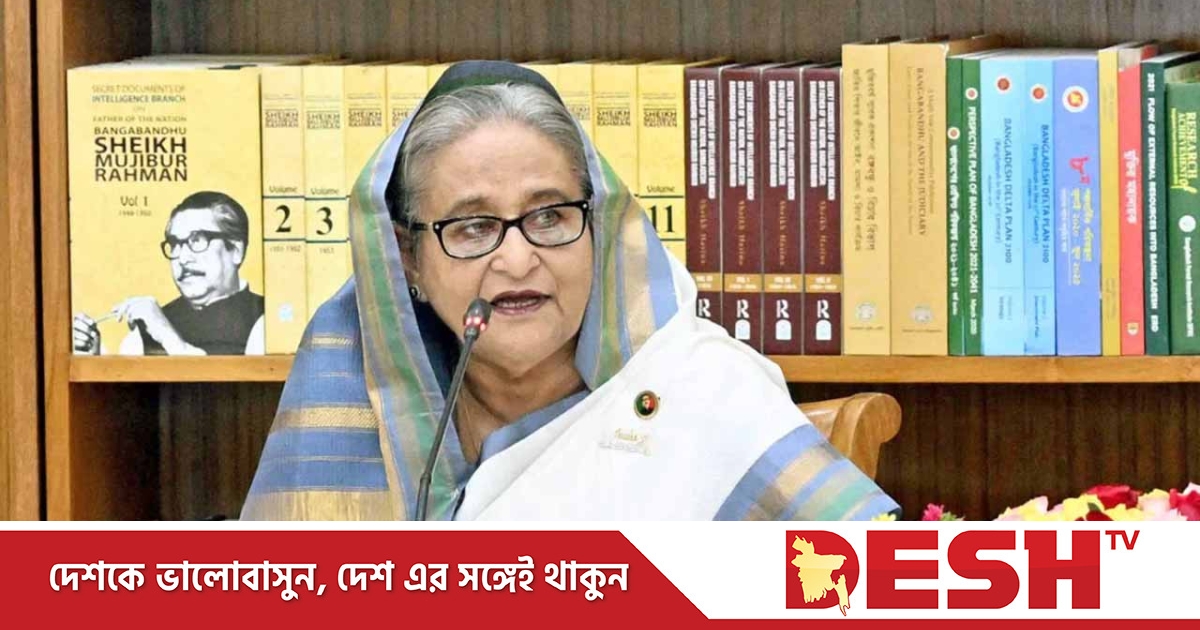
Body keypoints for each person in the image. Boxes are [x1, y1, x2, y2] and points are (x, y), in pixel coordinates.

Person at [241, 61, 899, 520]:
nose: (517, 259)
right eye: (474, 227)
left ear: (599, 230)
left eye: (550, 216)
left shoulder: (700, 392)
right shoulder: (360, 408)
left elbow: (866, 584)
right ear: (408, 257)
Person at [72, 191, 265, 356]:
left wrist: (166, 335)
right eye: (175, 244)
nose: (182, 258)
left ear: (236, 251)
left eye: (197, 240)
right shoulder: (146, 329)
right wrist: (92, 359)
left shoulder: (266, 320)